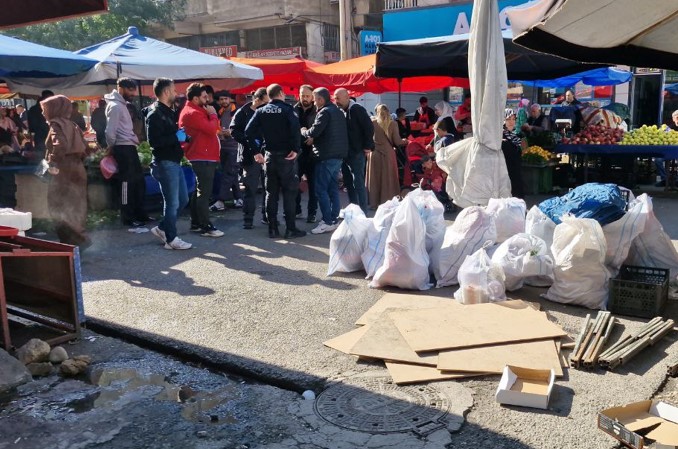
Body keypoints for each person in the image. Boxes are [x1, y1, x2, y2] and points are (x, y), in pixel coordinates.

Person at [246, 83, 306, 239]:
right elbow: (295, 130)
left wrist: (256, 152)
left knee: (271, 193)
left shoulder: (260, 111)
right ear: (280, 93)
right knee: (289, 193)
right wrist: (295, 149)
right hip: (286, 157)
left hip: (269, 157)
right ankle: (290, 228)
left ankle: (272, 228)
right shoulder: (288, 110)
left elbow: (248, 132)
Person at [146, 78, 192, 250]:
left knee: (183, 199)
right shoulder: (155, 113)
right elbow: (154, 142)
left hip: (173, 161)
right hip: (164, 162)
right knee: (172, 202)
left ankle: (162, 228)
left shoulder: (167, 110)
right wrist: (176, 137)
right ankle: (171, 239)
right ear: (165, 92)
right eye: (173, 90)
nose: (176, 93)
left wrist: (182, 135)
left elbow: (168, 135)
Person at [41, 95, 90, 248]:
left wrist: (53, 162)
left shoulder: (56, 124)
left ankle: (72, 242)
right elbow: (84, 146)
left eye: (45, 109)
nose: (43, 113)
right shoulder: (72, 124)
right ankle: (78, 238)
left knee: (58, 205)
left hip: (63, 169)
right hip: (77, 168)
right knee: (76, 204)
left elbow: (60, 144)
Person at [178, 82, 224, 238]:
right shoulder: (192, 112)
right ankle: (205, 226)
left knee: (199, 192)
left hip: (203, 155)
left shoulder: (195, 110)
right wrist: (213, 115)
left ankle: (197, 223)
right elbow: (212, 129)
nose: (208, 99)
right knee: (204, 192)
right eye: (205, 97)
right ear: (196, 98)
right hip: (201, 156)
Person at [300, 87, 348, 235]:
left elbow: (314, 131)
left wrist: (303, 131)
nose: (314, 102)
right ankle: (332, 219)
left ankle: (327, 221)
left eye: (314, 99)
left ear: (320, 99)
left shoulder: (325, 112)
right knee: (332, 188)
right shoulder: (337, 112)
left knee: (321, 189)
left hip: (326, 156)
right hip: (337, 155)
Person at [105, 78, 150, 227]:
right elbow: (110, 131)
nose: (133, 93)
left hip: (129, 146)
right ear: (121, 88)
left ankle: (140, 214)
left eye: (133, 90)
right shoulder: (115, 106)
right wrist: (112, 147)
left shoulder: (122, 105)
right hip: (122, 148)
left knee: (138, 182)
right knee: (126, 184)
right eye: (130, 90)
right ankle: (128, 217)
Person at [230, 87, 269, 229]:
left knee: (268, 188)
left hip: (266, 153)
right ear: (258, 99)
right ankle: (248, 219)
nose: (268, 104)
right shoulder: (243, 112)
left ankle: (267, 216)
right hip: (249, 155)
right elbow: (233, 130)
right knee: (250, 188)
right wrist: (248, 141)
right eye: (266, 100)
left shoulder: (266, 111)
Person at [334, 88, 374, 213]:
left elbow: (369, 127)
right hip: (345, 152)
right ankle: (354, 209)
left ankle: (363, 211)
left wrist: (368, 145)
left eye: (338, 98)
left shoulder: (356, 109)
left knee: (358, 183)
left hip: (356, 152)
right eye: (335, 98)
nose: (336, 101)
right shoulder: (341, 111)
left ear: (347, 97)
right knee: (348, 182)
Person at [211, 90, 243, 211]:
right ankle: (239, 198)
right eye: (221, 99)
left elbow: (244, 127)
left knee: (228, 173)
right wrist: (219, 133)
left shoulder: (238, 111)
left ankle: (221, 201)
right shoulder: (220, 112)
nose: (224, 101)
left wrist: (232, 132)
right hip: (223, 146)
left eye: (226, 99)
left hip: (235, 147)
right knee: (231, 173)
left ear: (230, 99)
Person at [367, 104, 401, 208]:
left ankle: (373, 203)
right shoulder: (393, 124)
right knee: (388, 178)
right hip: (388, 153)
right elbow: (397, 141)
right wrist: (406, 141)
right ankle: (388, 202)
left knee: (374, 179)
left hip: (375, 153)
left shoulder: (372, 122)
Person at [294, 85, 318, 223]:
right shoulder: (293, 110)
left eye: (307, 96)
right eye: (302, 95)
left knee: (313, 185)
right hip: (297, 152)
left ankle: (312, 213)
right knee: (294, 183)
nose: (305, 98)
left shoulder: (318, 110)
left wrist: (314, 138)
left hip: (313, 152)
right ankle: (297, 210)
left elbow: (324, 128)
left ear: (312, 97)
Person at [501, 109, 524, 198]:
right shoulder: (500, 136)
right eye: (508, 119)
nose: (511, 122)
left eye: (513, 119)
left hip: (516, 175)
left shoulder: (514, 136)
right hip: (505, 176)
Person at [28, 90, 53, 158]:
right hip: (42, 135)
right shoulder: (40, 108)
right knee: (43, 155)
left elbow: (31, 126)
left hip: (42, 135)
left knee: (43, 156)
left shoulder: (33, 108)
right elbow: (33, 124)